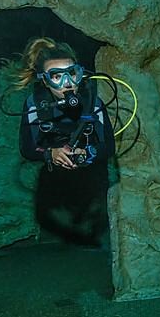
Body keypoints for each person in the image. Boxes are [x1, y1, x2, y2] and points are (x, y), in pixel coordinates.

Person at [9, 37, 115, 247]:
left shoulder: (93, 102)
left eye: (72, 74)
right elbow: (27, 148)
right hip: (54, 175)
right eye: (56, 76)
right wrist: (50, 153)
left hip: (90, 173)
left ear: (80, 73)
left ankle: (90, 229)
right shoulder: (34, 105)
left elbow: (109, 146)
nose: (67, 83)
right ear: (45, 80)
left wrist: (88, 153)